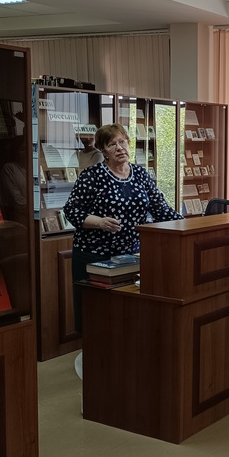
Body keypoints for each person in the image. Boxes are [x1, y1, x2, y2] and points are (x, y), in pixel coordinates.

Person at [63, 122, 183, 337]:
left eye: (122, 142)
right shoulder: (92, 176)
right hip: (96, 257)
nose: (119, 148)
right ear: (103, 150)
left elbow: (161, 209)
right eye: (112, 145)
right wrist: (99, 222)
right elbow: (71, 211)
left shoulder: (140, 174)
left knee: (127, 313)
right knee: (97, 316)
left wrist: (186, 225)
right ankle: (94, 352)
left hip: (130, 256)